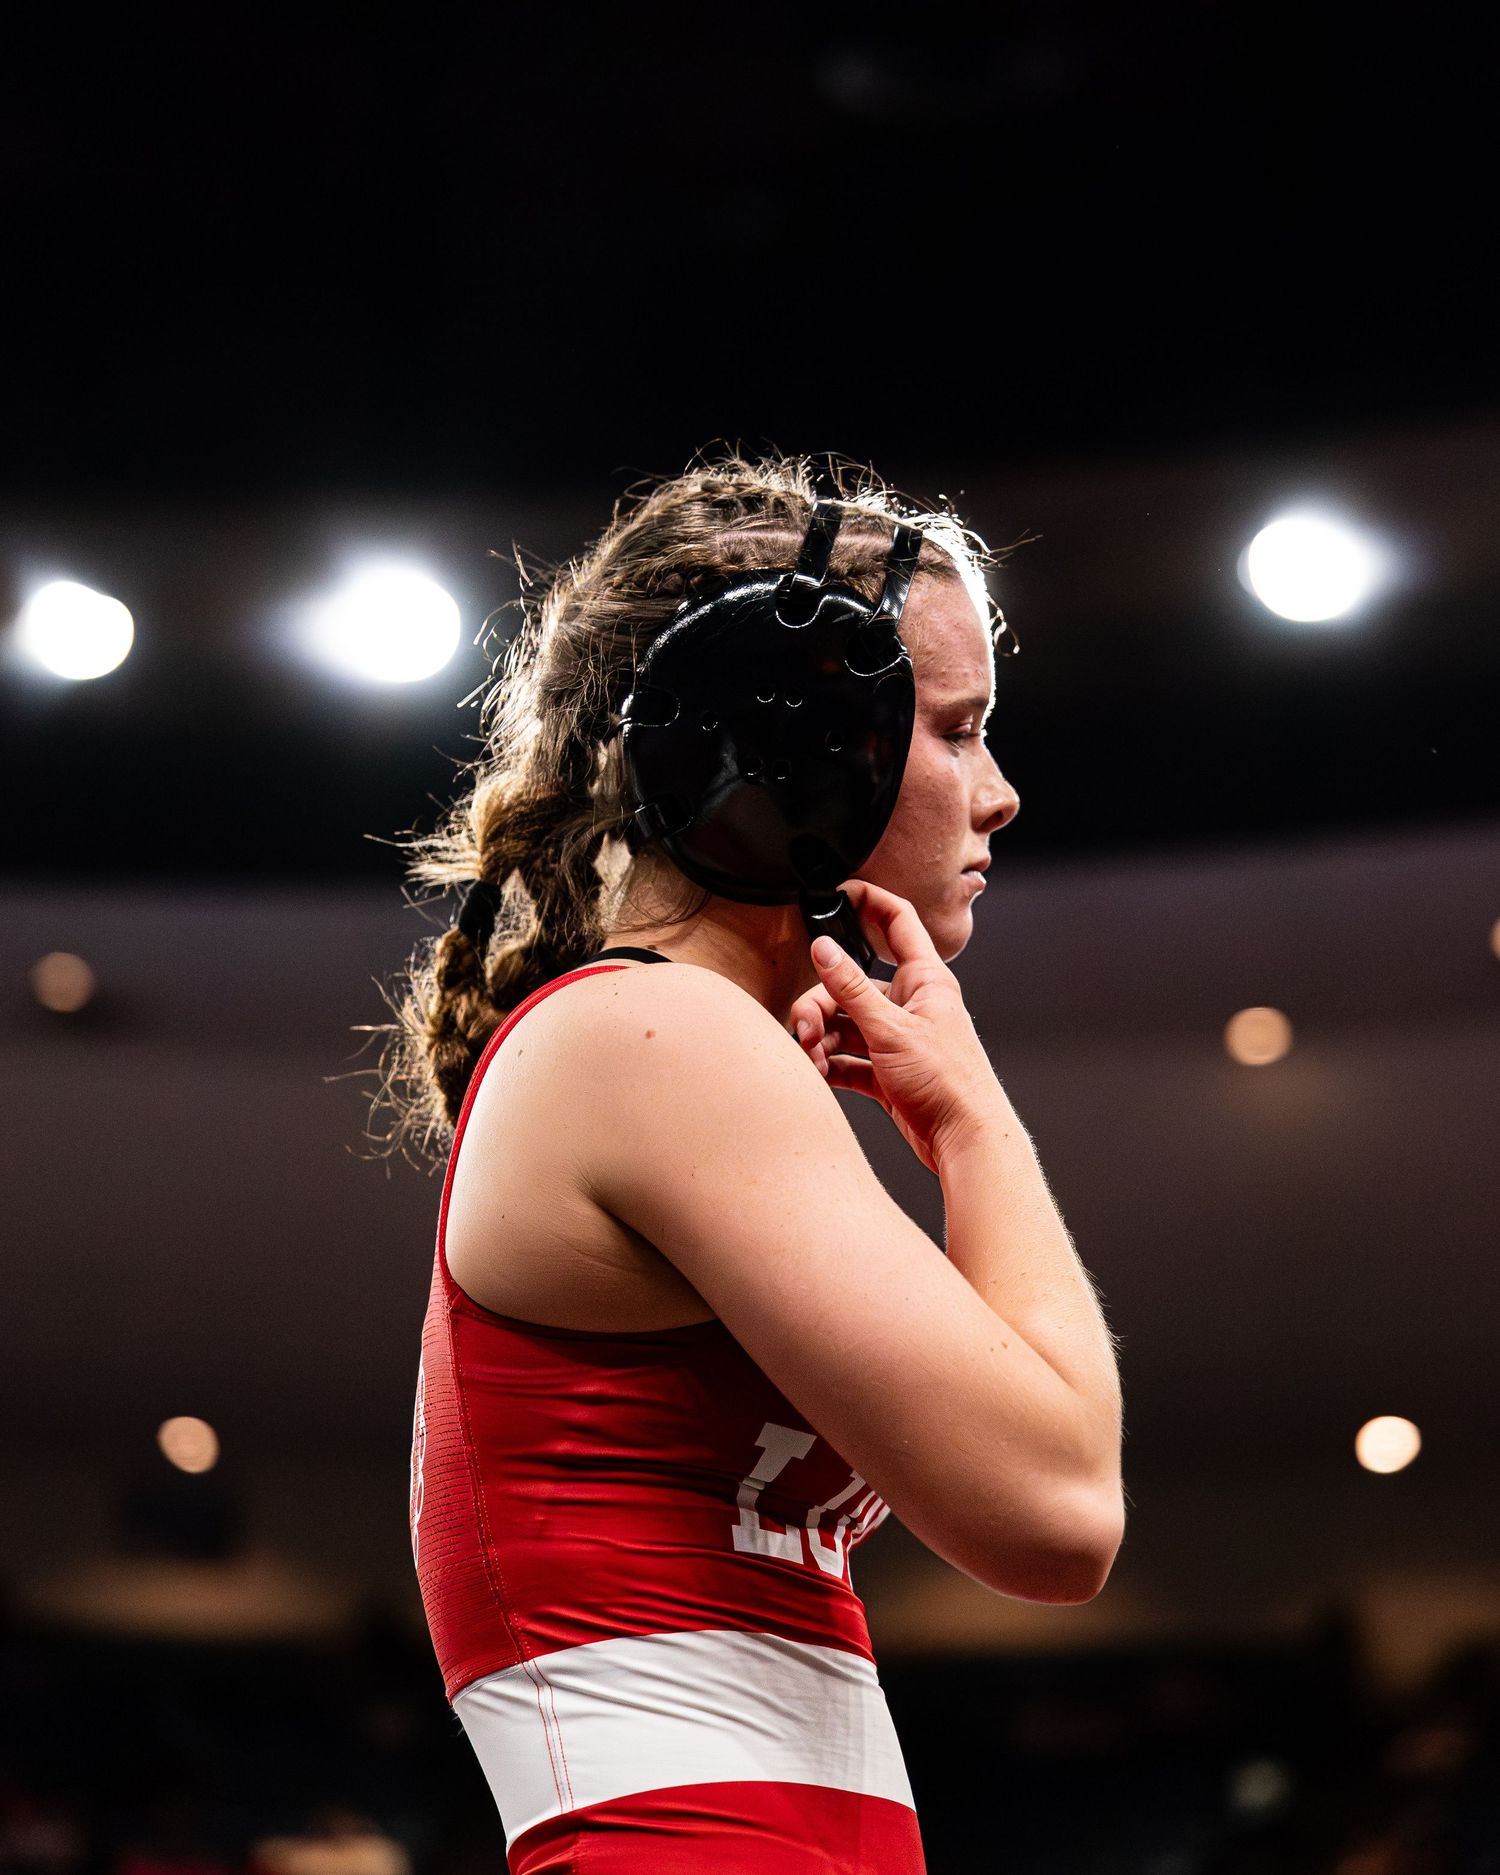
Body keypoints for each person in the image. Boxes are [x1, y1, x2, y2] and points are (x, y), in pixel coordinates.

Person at [370, 450, 1126, 1872]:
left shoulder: (667, 1042)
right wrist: (975, 1124)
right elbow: (1059, 1511)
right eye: (959, 731)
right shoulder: (650, 1036)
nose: (1002, 794)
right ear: (794, 736)